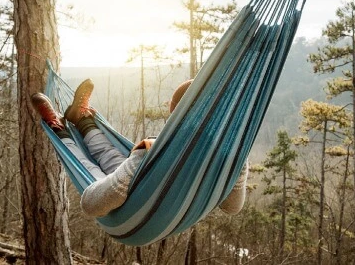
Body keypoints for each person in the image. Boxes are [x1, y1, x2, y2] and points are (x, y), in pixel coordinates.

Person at [31, 79, 248, 217]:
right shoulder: (229, 158)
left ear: (175, 116)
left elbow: (91, 204)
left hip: (129, 208)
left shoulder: (155, 151)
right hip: (153, 199)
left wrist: (143, 156)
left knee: (90, 171)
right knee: (112, 155)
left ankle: (59, 129)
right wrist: (240, 164)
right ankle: (81, 120)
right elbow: (232, 207)